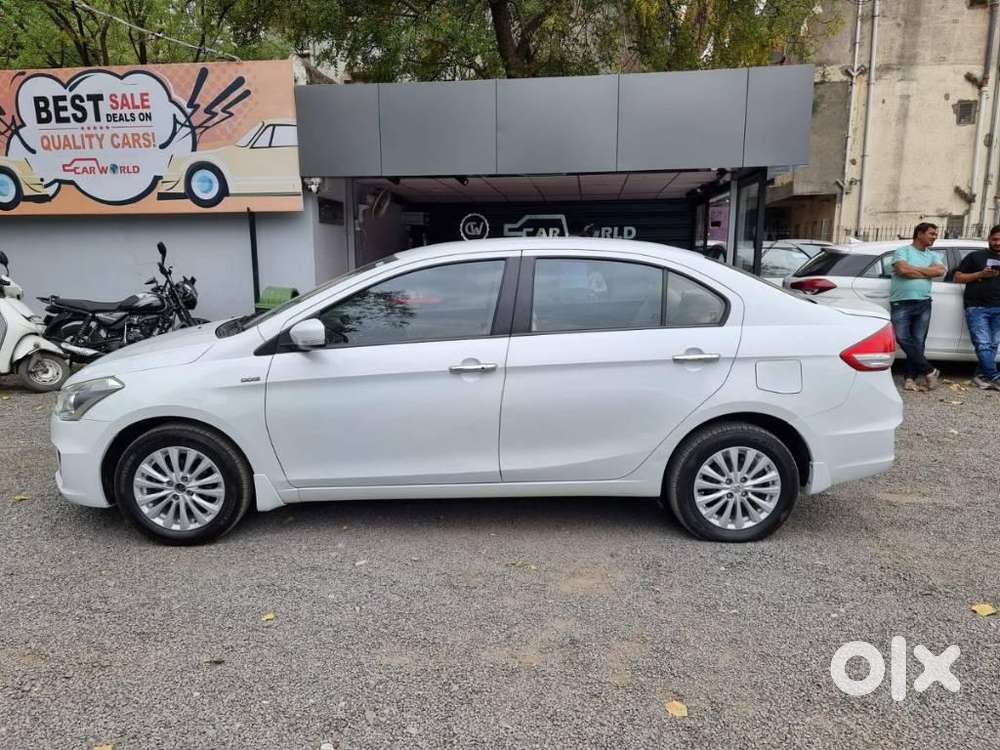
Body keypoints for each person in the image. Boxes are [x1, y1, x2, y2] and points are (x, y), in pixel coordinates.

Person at [890, 222, 946, 391]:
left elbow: (939, 271)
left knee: (918, 342)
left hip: (923, 302)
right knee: (901, 338)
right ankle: (930, 370)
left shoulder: (933, 255)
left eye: (935, 234)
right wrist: (925, 271)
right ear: (919, 234)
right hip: (901, 302)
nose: (934, 237)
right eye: (931, 233)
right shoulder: (903, 251)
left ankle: (910, 378)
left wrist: (913, 269)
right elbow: (902, 270)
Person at [953, 225, 1000, 390]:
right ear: (989, 239)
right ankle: (995, 376)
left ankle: (981, 376)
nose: (997, 243)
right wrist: (980, 274)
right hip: (977, 307)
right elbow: (957, 277)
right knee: (982, 343)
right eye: (994, 239)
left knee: (993, 344)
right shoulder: (975, 257)